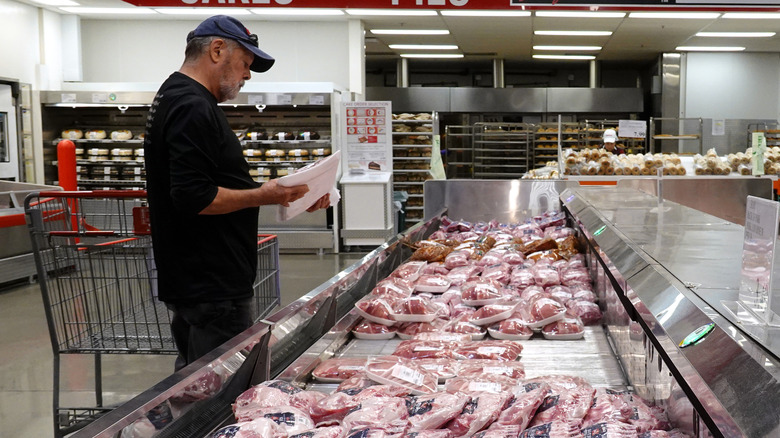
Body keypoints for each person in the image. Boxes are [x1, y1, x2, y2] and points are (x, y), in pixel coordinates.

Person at [143, 15, 330, 370]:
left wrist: (290, 194)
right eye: (245, 63)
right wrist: (266, 195)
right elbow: (194, 196)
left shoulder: (176, 96)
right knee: (222, 396)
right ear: (217, 50)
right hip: (211, 285)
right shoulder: (192, 106)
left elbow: (204, 184)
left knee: (194, 384)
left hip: (198, 279)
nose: (247, 75)